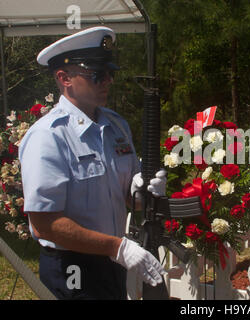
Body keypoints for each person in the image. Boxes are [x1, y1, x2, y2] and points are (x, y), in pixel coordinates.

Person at [19, 26, 167, 300]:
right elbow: (44, 223)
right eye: (97, 74)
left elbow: (127, 198)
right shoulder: (48, 136)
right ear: (64, 77)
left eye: (110, 73)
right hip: (72, 266)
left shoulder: (115, 126)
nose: (107, 81)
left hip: (112, 259)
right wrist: (117, 247)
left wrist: (143, 191)